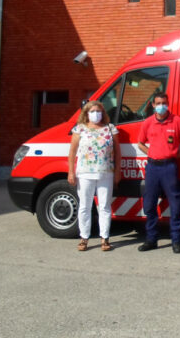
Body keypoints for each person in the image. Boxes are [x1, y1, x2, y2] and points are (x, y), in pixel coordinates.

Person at [136, 93, 180, 254]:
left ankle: (176, 240)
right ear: (153, 105)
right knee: (150, 204)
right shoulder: (148, 122)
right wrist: (151, 153)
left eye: (164, 103)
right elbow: (140, 143)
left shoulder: (177, 121)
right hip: (153, 167)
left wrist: (175, 153)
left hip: (169, 167)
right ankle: (151, 239)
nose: (161, 105)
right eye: (158, 103)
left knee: (175, 204)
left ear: (168, 104)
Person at [67, 100, 121, 252]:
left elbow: (117, 152)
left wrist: (118, 171)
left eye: (98, 111)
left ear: (103, 113)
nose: (95, 114)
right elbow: (72, 152)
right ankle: (84, 237)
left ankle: (105, 238)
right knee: (85, 206)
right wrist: (71, 171)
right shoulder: (80, 129)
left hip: (106, 173)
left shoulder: (110, 129)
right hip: (85, 173)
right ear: (86, 113)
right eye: (92, 111)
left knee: (104, 206)